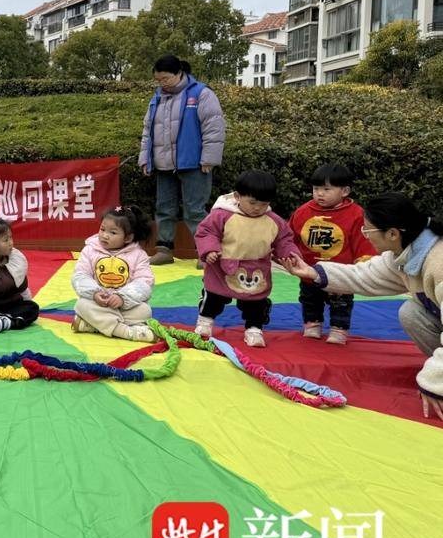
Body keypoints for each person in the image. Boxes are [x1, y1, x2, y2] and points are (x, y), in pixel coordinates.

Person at [282, 193, 443, 421]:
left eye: (367, 231)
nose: (365, 236)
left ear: (393, 234)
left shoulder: (439, 264)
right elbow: (364, 275)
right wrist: (312, 272)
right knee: (411, 312)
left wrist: (433, 382)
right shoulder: (406, 252)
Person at [194, 170, 299, 348]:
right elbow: (206, 232)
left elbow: (284, 239)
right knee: (214, 297)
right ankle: (205, 321)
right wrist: (210, 250)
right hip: (222, 266)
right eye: (252, 202)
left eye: (263, 204)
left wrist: (290, 255)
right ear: (237, 196)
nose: (257, 208)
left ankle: (254, 328)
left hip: (256, 269)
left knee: (256, 302)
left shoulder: (273, 221)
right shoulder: (221, 215)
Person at [138, 54, 226, 266]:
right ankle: (164, 249)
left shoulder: (201, 93)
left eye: (166, 79)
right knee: (164, 208)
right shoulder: (157, 97)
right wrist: (145, 159)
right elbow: (147, 131)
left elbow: (214, 127)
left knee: (195, 209)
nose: (162, 84)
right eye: (158, 80)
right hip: (164, 164)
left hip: (194, 163)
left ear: (179, 73)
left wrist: (209, 159)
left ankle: (205, 252)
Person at [288, 163, 376, 345]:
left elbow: (362, 241)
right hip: (310, 270)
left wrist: (364, 262)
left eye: (327, 189)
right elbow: (291, 236)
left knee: (341, 303)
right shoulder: (303, 211)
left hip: (341, 273)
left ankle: (339, 328)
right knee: (309, 299)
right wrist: (288, 255)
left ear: (345, 191)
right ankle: (312, 324)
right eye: (316, 188)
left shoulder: (356, 215)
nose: (320, 193)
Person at [71, 205, 157, 342]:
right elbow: (80, 275)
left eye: (113, 233)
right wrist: (94, 293)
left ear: (128, 238)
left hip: (124, 306)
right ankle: (125, 331)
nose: (105, 235)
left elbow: (144, 282)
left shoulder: (138, 255)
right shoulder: (89, 250)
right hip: (99, 303)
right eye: (102, 229)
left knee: (145, 310)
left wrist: (122, 298)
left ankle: (93, 325)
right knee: (82, 305)